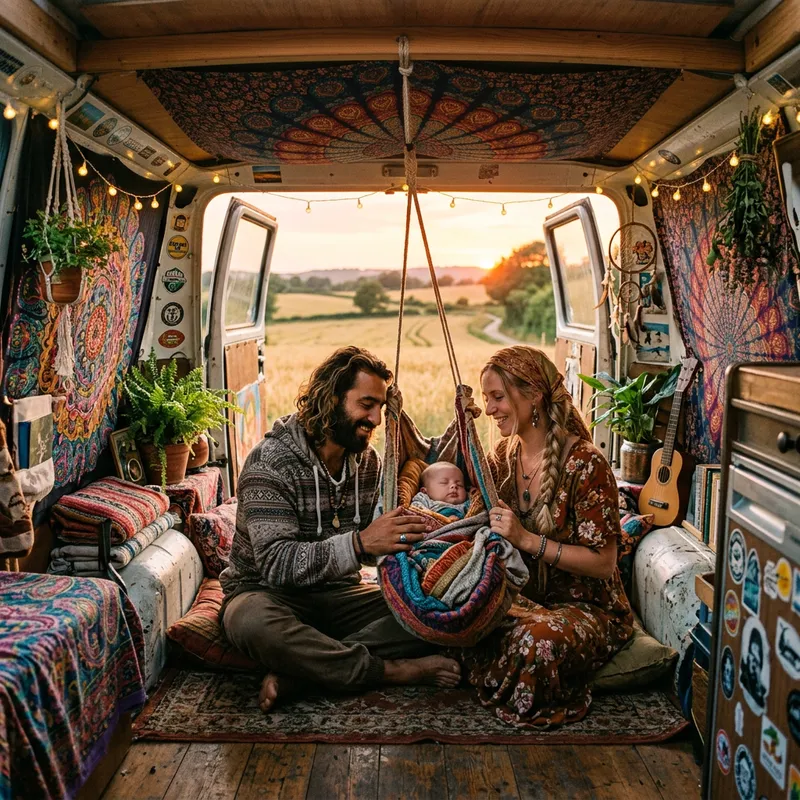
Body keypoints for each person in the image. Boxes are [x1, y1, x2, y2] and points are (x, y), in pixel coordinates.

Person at [220, 347, 460, 712]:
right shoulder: (270, 463)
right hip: (266, 594)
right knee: (253, 624)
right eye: (366, 404)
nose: (376, 418)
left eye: (381, 407)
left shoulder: (369, 463)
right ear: (331, 398)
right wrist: (360, 543)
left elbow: (380, 544)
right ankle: (390, 671)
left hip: (341, 595)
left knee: (434, 612)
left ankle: (304, 671)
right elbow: (276, 565)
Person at [460, 345, 633, 727]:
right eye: (486, 399)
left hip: (585, 606)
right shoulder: (502, 457)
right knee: (462, 620)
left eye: (497, 397)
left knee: (538, 643)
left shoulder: (586, 463)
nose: (489, 409)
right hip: (523, 600)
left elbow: (603, 564)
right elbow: (472, 518)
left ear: (534, 394)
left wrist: (526, 540)